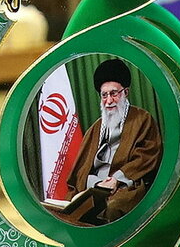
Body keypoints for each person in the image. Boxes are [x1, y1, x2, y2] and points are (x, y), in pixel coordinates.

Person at [60, 59, 163, 224]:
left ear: (125, 92)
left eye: (114, 93)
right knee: (67, 210)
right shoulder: (95, 128)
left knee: (113, 206)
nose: (109, 101)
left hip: (125, 185)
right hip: (95, 188)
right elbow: (81, 170)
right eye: (104, 95)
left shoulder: (142, 119)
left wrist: (116, 180)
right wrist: (91, 187)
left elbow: (146, 157)